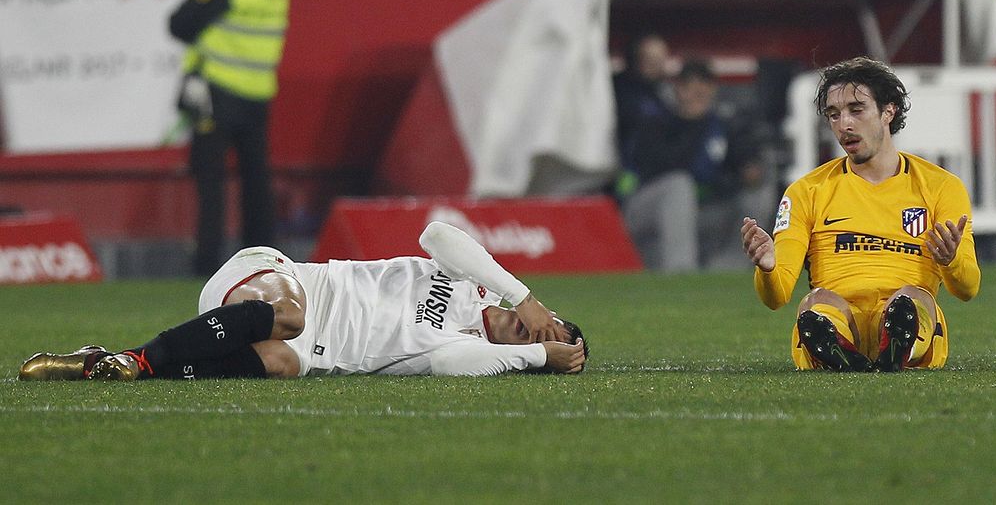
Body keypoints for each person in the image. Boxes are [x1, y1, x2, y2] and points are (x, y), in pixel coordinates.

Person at [19, 221, 586, 380]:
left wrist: (541, 360)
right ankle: (139, 358)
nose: (538, 333)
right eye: (551, 327)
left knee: (284, 363)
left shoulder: (464, 352)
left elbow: (445, 363)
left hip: (298, 347)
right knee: (289, 318)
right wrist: (524, 294)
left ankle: (109, 364)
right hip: (274, 281)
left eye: (545, 344)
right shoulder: (476, 281)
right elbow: (436, 234)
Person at [739, 57, 979, 372]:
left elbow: (968, 288)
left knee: (911, 299)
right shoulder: (806, 191)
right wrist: (768, 268)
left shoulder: (940, 187)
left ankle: (894, 348)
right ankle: (840, 351)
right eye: (834, 115)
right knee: (815, 304)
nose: (844, 125)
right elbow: (777, 296)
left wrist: (951, 261)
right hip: (839, 320)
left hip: (908, 318)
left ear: (888, 111)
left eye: (856, 109)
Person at [170, 0, 289, 277]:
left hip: (219, 90)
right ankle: (264, 262)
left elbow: (180, 24)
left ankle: (207, 262)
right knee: (257, 179)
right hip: (259, 91)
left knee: (212, 180)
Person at [616, 59, 729, 272]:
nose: (697, 99)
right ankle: (682, 271)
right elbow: (669, 166)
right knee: (679, 185)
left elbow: (729, 169)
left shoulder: (720, 124)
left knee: (752, 196)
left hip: (697, 210)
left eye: (702, 93)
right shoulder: (657, 122)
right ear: (678, 89)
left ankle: (732, 270)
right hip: (642, 207)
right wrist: (694, 122)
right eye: (691, 91)